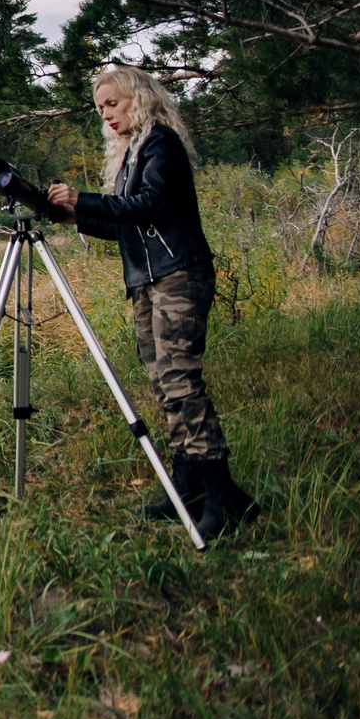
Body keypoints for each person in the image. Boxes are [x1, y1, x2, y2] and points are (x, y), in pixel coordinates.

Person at [46, 64, 258, 538]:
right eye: (101, 108)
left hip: (179, 274)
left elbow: (151, 206)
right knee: (163, 382)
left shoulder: (160, 143)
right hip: (147, 280)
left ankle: (221, 494)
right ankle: (186, 486)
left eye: (113, 103)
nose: (107, 114)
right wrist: (72, 216)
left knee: (181, 380)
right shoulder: (127, 155)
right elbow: (126, 222)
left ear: (136, 98)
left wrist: (83, 198)